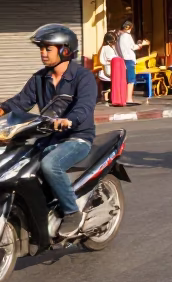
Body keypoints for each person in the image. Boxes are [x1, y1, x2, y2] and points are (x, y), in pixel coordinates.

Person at [0, 24, 98, 236]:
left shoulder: (83, 77)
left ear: (65, 50)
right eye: (41, 48)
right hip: (46, 138)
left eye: (48, 48)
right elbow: (20, 102)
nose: (43, 53)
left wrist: (68, 120)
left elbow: (85, 106)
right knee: (16, 164)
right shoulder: (39, 78)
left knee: (50, 165)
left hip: (76, 138)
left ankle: (72, 212)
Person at [115, 20, 149, 106]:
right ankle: (129, 99)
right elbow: (133, 47)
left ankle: (126, 98)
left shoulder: (119, 36)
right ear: (129, 28)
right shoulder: (127, 36)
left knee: (126, 80)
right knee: (131, 80)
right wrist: (142, 44)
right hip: (129, 59)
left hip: (122, 59)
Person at [96, 31, 118, 103]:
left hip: (107, 68)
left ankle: (105, 97)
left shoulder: (104, 47)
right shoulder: (107, 48)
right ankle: (107, 97)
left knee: (108, 83)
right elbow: (111, 58)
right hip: (109, 68)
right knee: (111, 83)